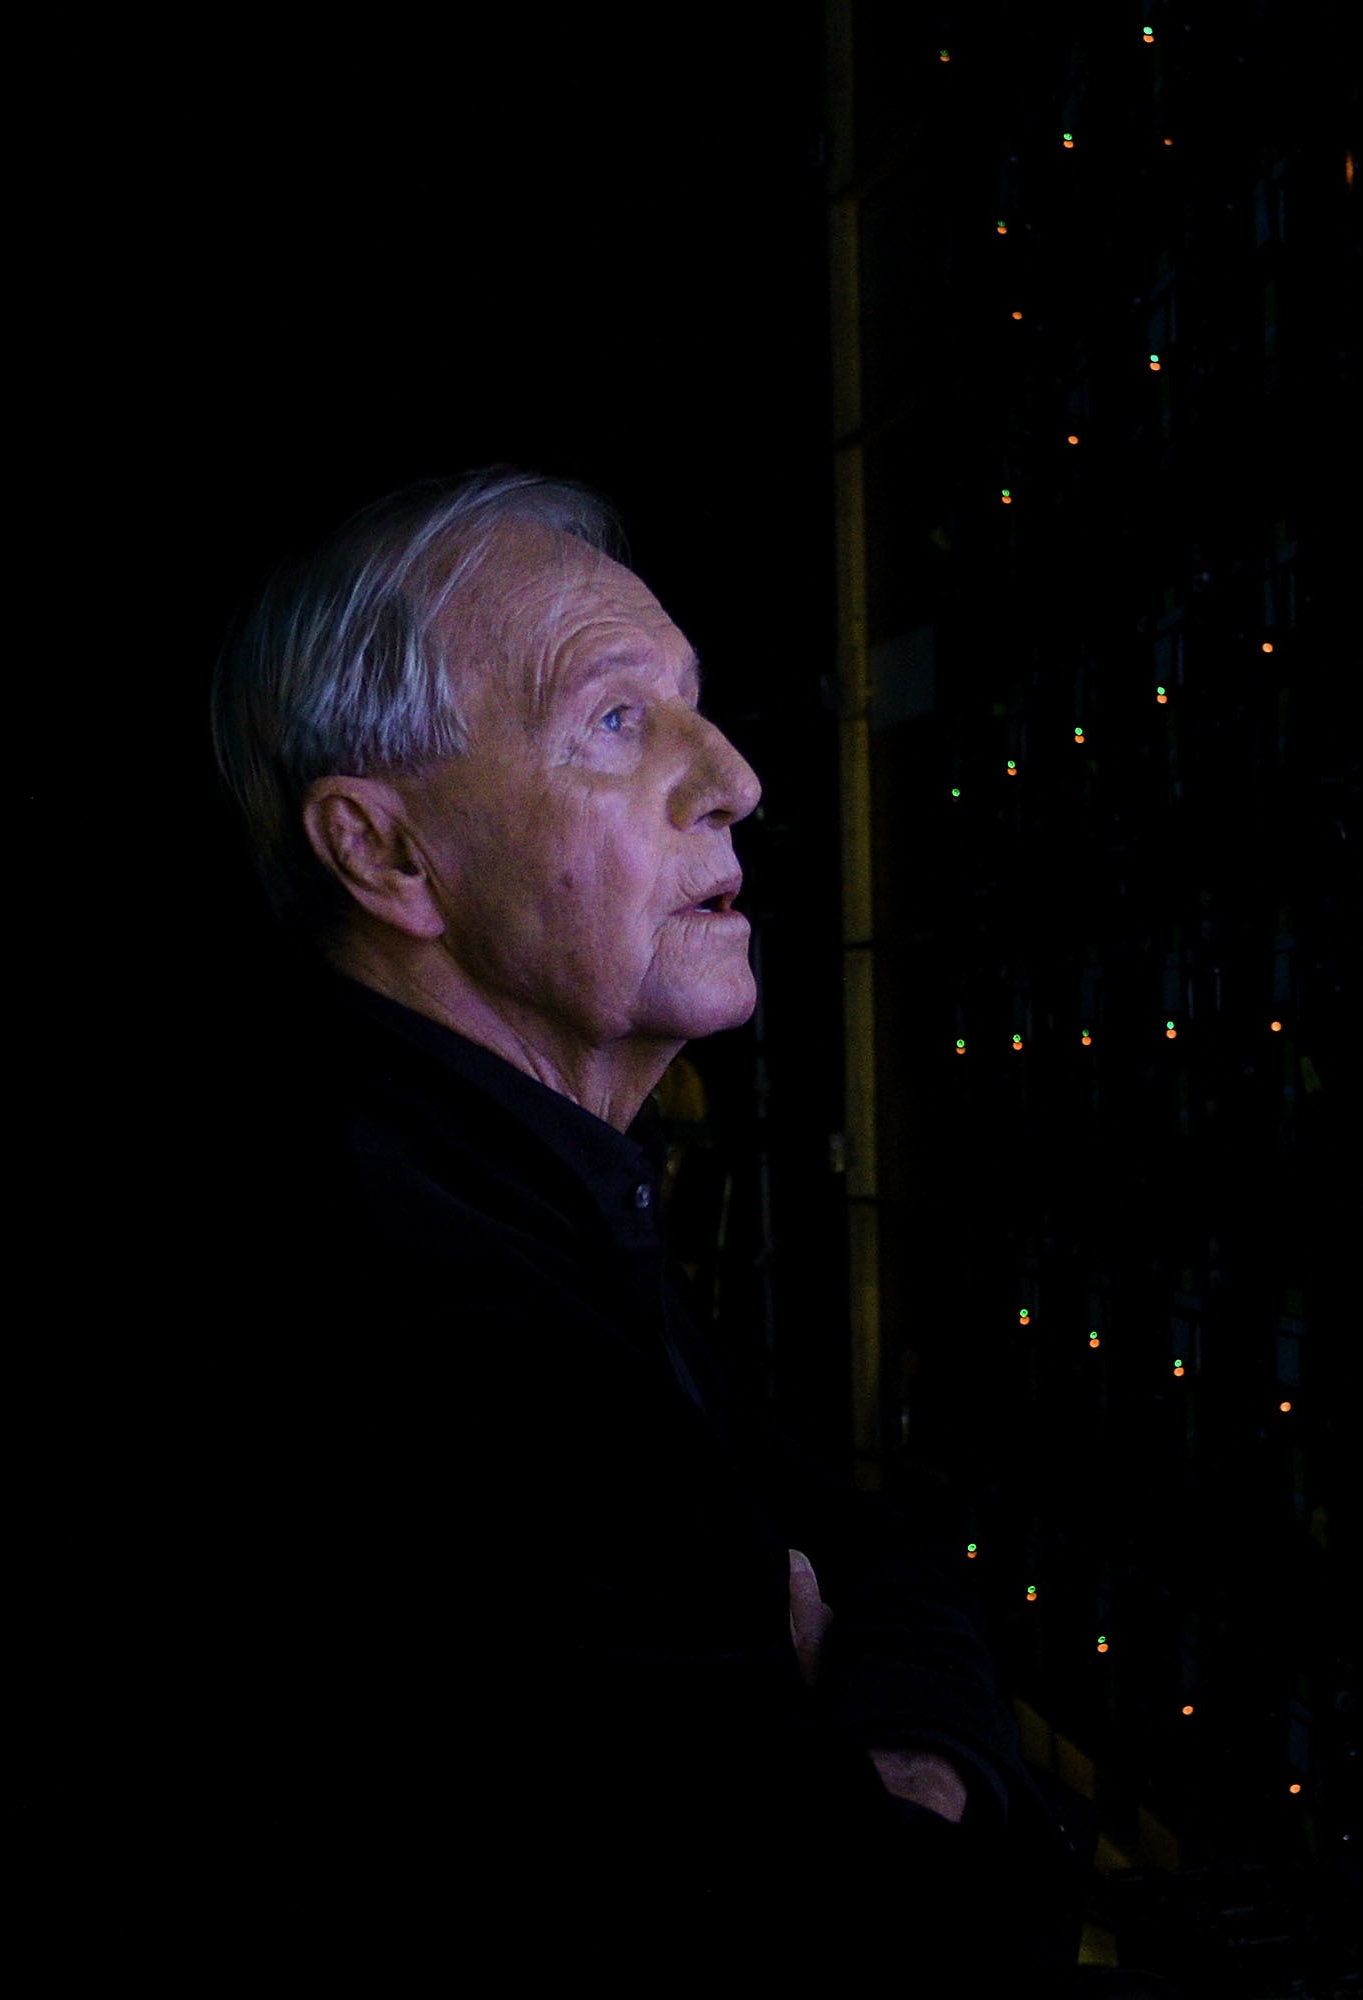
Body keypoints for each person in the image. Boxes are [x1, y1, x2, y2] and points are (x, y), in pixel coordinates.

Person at [190, 467, 1082, 1987]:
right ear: (388, 854)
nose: (731, 774)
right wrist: (930, 1795)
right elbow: (875, 1958)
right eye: (617, 721)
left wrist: (887, 1746)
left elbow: (870, 1553)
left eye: (696, 708)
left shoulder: (521, 1181)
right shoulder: (421, 1308)